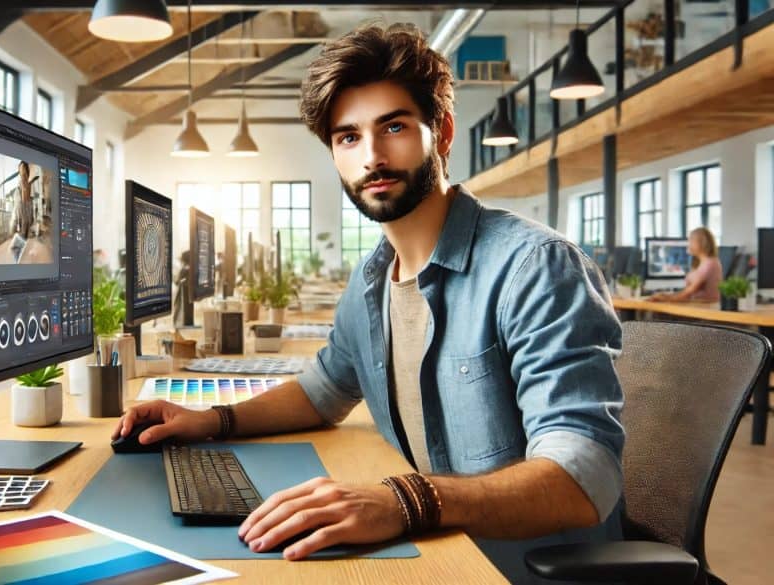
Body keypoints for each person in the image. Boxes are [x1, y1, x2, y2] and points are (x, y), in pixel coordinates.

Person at [113, 23, 624, 583]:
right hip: (434, 550)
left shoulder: (535, 268)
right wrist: (210, 420)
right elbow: (321, 393)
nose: (372, 157)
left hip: (511, 567)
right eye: (348, 137)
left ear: (443, 132)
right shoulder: (371, 279)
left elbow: (583, 479)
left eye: (395, 127)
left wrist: (406, 501)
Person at [648, 227, 722, 302]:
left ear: (703, 243)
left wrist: (665, 297)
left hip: (704, 309)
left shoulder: (710, 264)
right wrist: (665, 296)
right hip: (696, 305)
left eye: (691, 241)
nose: (688, 244)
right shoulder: (702, 263)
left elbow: (689, 292)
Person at [11, 161, 34, 240]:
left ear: (27, 174)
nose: (22, 177)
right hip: (19, 229)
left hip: (28, 230)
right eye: (21, 174)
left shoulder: (31, 187)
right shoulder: (18, 190)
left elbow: (30, 216)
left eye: (24, 174)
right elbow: (16, 210)